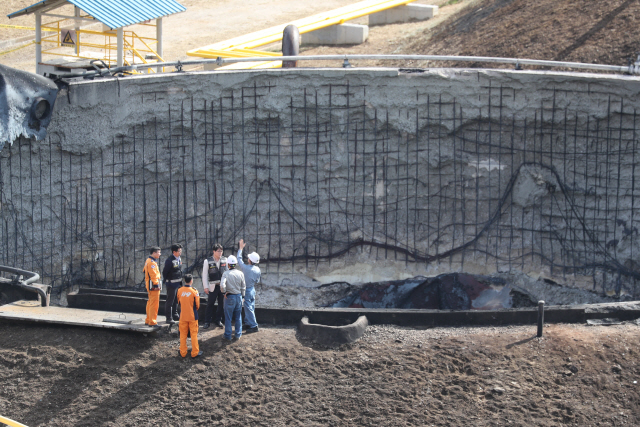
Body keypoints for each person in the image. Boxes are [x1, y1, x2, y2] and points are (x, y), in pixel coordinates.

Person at [237, 239, 261, 333]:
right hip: (252, 289)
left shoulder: (246, 268)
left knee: (248, 308)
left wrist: (240, 249)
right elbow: (257, 280)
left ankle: (254, 326)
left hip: (246, 290)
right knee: (251, 307)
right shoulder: (258, 270)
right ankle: (248, 323)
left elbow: (239, 259)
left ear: (250, 260)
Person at [220, 255, 245, 341]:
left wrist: (224, 292)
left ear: (228, 265)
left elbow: (222, 285)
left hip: (229, 297)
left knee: (228, 317)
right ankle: (238, 334)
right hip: (239, 296)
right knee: (238, 316)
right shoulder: (240, 273)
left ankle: (228, 335)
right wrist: (243, 296)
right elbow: (243, 286)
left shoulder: (226, 273)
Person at [177, 274, 202, 358]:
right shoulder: (194, 291)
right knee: (194, 334)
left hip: (183, 316)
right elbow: (197, 305)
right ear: (191, 280)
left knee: (183, 334)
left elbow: (178, 302)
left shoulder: (179, 290)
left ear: (185, 280)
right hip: (192, 316)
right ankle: (195, 352)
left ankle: (182, 352)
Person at [202, 244, 227, 329]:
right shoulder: (207, 261)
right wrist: (205, 287)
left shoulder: (225, 260)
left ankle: (218, 320)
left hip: (222, 286)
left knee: (221, 304)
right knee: (210, 304)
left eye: (221, 251)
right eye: (218, 251)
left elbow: (227, 273)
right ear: (214, 251)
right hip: (212, 286)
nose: (220, 253)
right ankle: (207, 321)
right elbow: (204, 275)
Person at [163, 243, 183, 324]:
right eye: (179, 251)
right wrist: (167, 280)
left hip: (178, 282)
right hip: (171, 283)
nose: (180, 252)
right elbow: (165, 272)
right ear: (174, 252)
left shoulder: (179, 258)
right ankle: (169, 317)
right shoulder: (169, 260)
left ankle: (175, 314)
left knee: (176, 300)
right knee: (170, 301)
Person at [143, 246, 162, 327]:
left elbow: (144, 271)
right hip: (153, 285)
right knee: (154, 303)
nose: (160, 254)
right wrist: (156, 284)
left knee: (150, 302)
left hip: (149, 283)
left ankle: (148, 320)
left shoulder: (148, 260)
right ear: (154, 253)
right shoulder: (152, 263)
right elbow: (153, 275)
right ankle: (152, 322)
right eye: (159, 252)